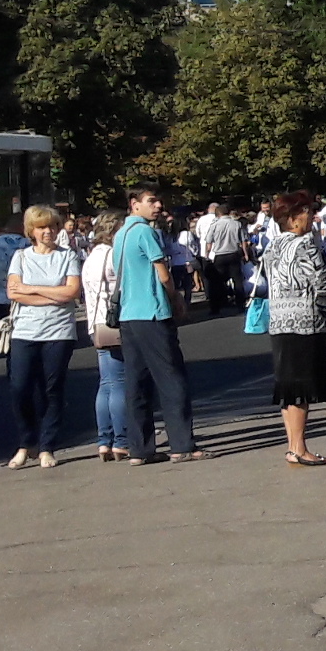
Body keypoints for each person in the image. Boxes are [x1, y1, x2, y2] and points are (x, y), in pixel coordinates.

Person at [112, 187, 200, 465]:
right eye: (151, 201)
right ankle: (182, 445)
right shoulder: (145, 232)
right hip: (152, 312)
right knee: (171, 378)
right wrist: (176, 298)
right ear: (134, 204)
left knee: (136, 382)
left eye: (159, 200)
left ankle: (140, 448)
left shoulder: (120, 234)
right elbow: (162, 273)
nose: (158, 206)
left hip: (129, 315)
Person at [260, 191, 326, 467]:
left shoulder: (273, 245)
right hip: (305, 321)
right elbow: (322, 282)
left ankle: (293, 445)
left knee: (288, 386)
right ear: (294, 218)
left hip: (280, 320)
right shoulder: (305, 244)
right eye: (307, 212)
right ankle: (299, 448)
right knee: (300, 388)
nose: (312, 217)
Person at [0, 205, 81, 470]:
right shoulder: (21, 257)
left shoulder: (68, 256)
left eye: (53, 226)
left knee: (51, 389)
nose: (49, 231)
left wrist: (30, 289)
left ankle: (47, 446)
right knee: (19, 387)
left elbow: (71, 292)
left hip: (59, 332)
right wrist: (52, 294)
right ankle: (27, 443)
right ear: (31, 231)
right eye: (42, 227)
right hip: (25, 331)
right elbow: (13, 293)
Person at [80, 219, 129, 462]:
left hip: (96, 324)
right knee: (119, 382)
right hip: (115, 323)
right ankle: (122, 439)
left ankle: (104, 440)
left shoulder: (91, 257)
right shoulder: (113, 255)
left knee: (106, 383)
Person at [192, 200, 247, 317]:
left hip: (220, 255)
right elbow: (243, 241)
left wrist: (207, 254)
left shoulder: (215, 225)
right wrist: (245, 254)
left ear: (218, 214)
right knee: (237, 280)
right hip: (233, 253)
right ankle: (240, 305)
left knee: (216, 282)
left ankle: (215, 307)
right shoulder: (236, 224)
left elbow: (209, 242)